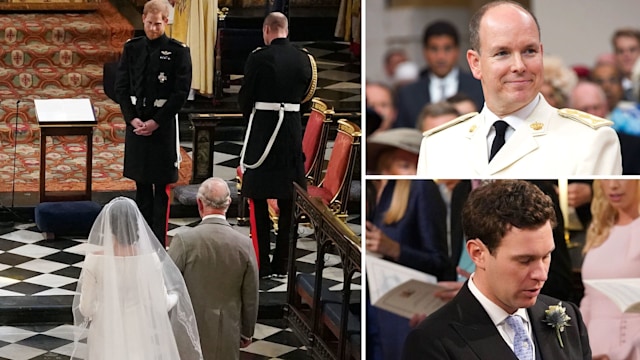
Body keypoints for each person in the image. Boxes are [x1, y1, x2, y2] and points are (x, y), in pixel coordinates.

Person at [416, 1, 622, 177]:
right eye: (502, 53)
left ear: (541, 53)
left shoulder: (590, 141)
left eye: (529, 51)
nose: (519, 66)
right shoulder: (438, 145)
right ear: (475, 63)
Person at [402, 180, 591, 360]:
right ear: (477, 253)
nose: (541, 274)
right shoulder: (433, 341)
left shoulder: (569, 318)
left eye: (546, 256)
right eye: (524, 260)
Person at [72, 197, 202, 360]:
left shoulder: (94, 259)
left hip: (105, 332)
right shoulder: (150, 258)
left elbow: (86, 309)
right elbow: (160, 304)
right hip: (139, 331)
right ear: (136, 225)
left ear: (109, 226)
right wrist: (175, 295)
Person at [238, 11, 317, 278]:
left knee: (258, 198)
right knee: (288, 201)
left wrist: (252, 120)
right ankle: (284, 262)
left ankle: (262, 264)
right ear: (286, 29)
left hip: (263, 131)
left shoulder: (258, 57)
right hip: (292, 134)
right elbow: (307, 98)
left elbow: (245, 97)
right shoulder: (305, 59)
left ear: (267, 30)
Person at [115, 0, 192, 246]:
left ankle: (157, 240)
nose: (152, 29)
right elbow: (122, 87)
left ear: (166, 21)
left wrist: (156, 122)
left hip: (162, 126)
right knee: (141, 186)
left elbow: (180, 93)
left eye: (157, 24)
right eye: (148, 23)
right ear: (143, 20)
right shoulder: (132, 48)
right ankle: (140, 238)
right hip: (137, 124)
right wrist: (132, 118)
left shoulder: (179, 51)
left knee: (161, 189)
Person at [168, 178, 259, 360]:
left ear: (200, 203)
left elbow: (169, 285)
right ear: (229, 203)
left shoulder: (184, 241)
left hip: (188, 329)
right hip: (227, 331)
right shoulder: (245, 244)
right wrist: (247, 331)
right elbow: (251, 295)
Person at [366, 179, 449, 360]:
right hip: (367, 309)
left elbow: (439, 262)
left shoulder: (419, 186)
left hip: (402, 317)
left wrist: (395, 249)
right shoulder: (368, 188)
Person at [580, 179, 640, 360]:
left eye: (622, 179)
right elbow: (590, 297)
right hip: (593, 346)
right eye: (605, 178)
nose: (613, 185)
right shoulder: (600, 229)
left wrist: (619, 354)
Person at [394, 20, 484, 128]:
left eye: (447, 49)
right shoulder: (408, 94)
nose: (440, 56)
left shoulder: (479, 87)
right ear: (425, 52)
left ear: (457, 51)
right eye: (434, 49)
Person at [612, 28, 640, 101]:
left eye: (632, 50)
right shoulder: (611, 90)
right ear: (615, 55)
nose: (626, 55)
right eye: (621, 51)